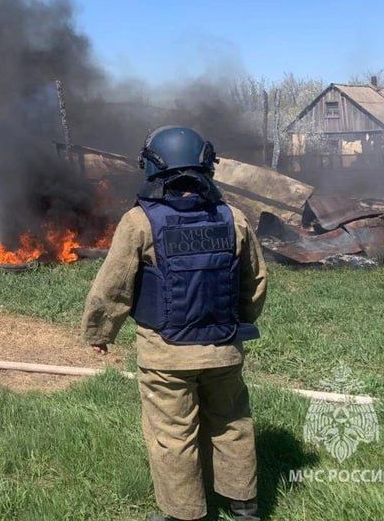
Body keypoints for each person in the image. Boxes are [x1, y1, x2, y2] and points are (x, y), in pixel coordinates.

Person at [81, 126, 267, 521]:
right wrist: (241, 320)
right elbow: (254, 282)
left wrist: (100, 332)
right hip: (223, 350)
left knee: (173, 435)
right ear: (206, 166)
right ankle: (244, 506)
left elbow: (112, 287)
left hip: (165, 357)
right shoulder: (233, 218)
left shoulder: (139, 222)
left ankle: (184, 514)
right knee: (231, 422)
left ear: (152, 167)